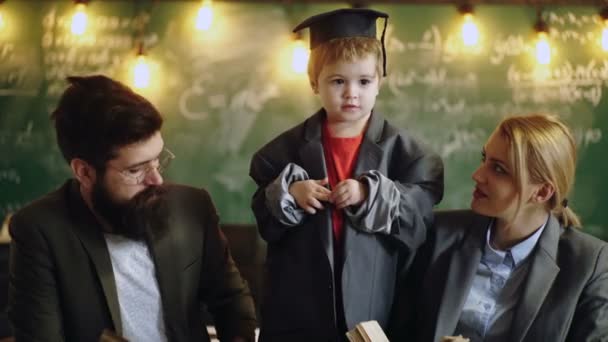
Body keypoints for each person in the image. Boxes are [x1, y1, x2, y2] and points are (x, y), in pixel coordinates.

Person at [8, 75, 256, 342]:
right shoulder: (40, 230)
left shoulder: (192, 208)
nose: (156, 179)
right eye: (136, 170)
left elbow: (232, 304)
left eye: (157, 160)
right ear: (85, 172)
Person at [249, 8, 444, 341]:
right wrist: (292, 194)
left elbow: (419, 221)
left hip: (378, 303)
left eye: (364, 81)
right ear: (314, 83)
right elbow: (264, 218)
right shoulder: (281, 153)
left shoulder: (409, 155)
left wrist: (370, 194)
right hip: (300, 305)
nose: (351, 92)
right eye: (338, 81)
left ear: (380, 82)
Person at [390, 114, 608, 342]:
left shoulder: (590, 266)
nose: (478, 175)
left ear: (542, 192)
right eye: (484, 159)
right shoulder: (438, 235)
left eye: (499, 169)